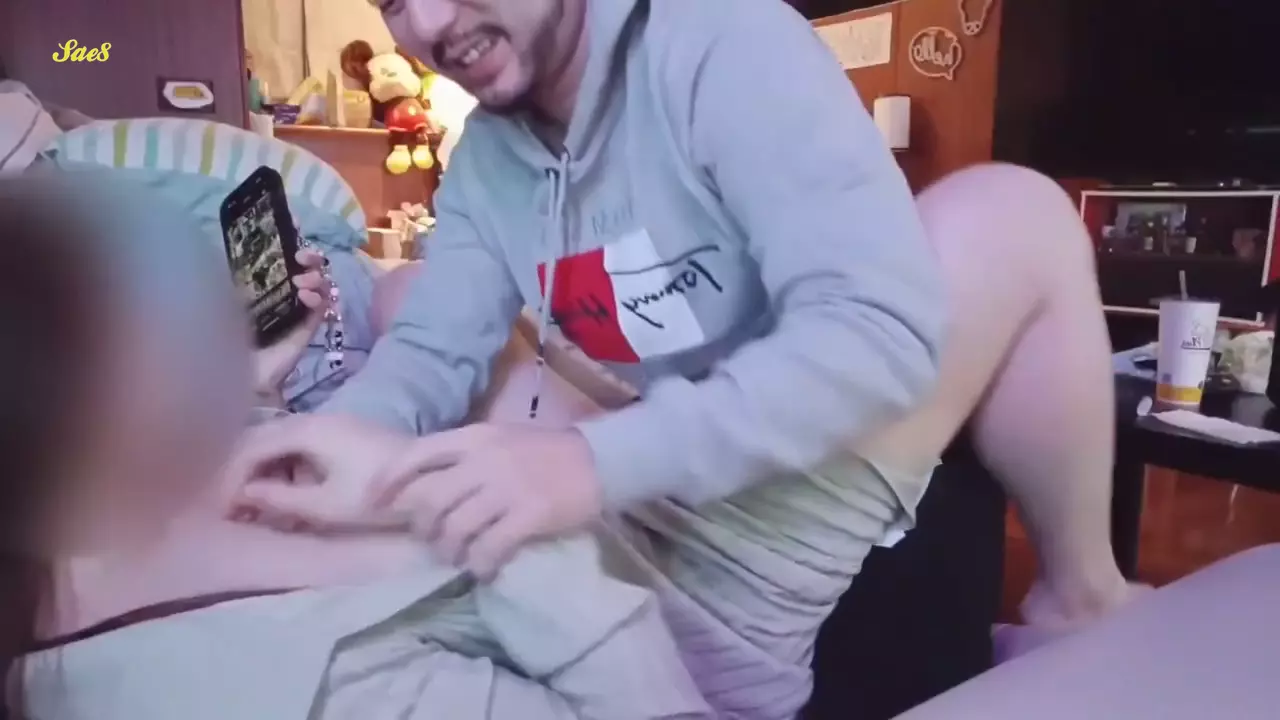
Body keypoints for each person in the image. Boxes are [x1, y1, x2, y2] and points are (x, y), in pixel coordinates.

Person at [227, 0, 1137, 715]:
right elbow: (430, 351)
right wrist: (330, 450)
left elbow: (875, 329)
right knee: (413, 305)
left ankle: (1083, 602)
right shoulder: (486, 161)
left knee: (1012, 209)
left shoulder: (723, 44)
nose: (427, 25)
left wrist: (589, 462)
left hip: (756, 458)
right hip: (649, 496)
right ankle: (1079, 600)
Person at [0, 175, 711, 719]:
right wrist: (477, 500)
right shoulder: (300, 688)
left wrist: (258, 389)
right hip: (644, 580)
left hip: (613, 485)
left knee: (421, 298)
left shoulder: (98, 508)